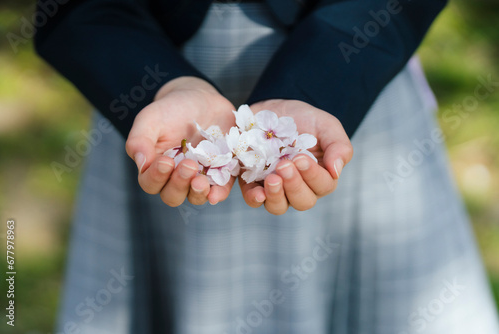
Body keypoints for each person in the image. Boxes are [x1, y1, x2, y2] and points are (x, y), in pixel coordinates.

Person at [35, 0, 499, 333]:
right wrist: (162, 85)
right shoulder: (163, 118)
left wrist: (317, 84)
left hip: (353, 77)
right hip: (158, 100)